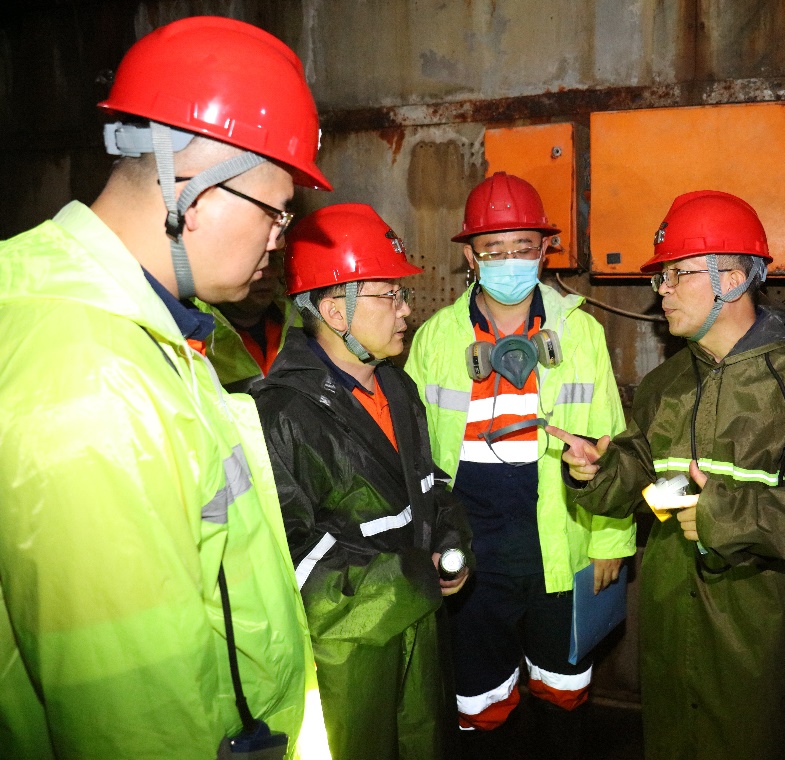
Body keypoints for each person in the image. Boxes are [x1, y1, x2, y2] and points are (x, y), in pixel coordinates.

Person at [0, 16, 330, 759]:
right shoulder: (90, 379)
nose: (280, 237)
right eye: (277, 210)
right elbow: (133, 719)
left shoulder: (136, 328)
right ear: (192, 187)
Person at [553, 190, 785, 760]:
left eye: (677, 274)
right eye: (662, 277)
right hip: (673, 625)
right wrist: (597, 471)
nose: (662, 290)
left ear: (733, 279)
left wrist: (725, 514)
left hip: (762, 636)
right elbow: (644, 473)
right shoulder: (666, 384)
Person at [404, 172, 633, 758]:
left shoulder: (581, 333)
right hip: (471, 557)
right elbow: (412, 457)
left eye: (523, 247)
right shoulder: (435, 338)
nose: (510, 262)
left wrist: (610, 539)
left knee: (563, 693)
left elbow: (612, 443)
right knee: (481, 703)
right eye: (494, 249)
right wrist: (424, 543)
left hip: (559, 549)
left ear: (544, 249)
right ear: (470, 256)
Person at [252, 203, 473, 760]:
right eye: (389, 295)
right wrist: (409, 577)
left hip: (418, 627)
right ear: (335, 311)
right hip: (346, 653)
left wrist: (451, 539)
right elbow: (288, 557)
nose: (406, 309)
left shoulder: (398, 389)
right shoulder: (280, 415)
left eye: (402, 294)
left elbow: (427, 485)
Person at [199, 244, 300, 393]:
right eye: (254, 261)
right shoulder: (191, 330)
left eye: (271, 260)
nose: (267, 273)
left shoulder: (301, 319)